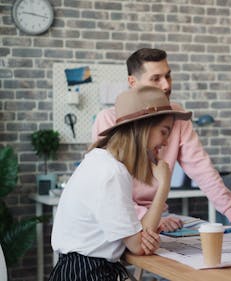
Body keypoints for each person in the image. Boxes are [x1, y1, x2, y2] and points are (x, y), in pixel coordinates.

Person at [92, 48, 231, 232]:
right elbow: (108, 191)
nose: (166, 85)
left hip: (162, 215)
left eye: (168, 76)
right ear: (133, 82)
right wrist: (146, 218)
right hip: (122, 216)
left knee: (211, 232)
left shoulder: (177, 116)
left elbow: (202, 168)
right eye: (156, 78)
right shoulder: (108, 120)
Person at [50, 86, 192, 280]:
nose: (166, 142)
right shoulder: (111, 173)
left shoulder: (100, 161)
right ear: (143, 129)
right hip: (88, 273)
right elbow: (139, 245)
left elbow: (134, 237)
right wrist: (164, 184)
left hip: (84, 270)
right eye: (164, 132)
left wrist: (140, 235)